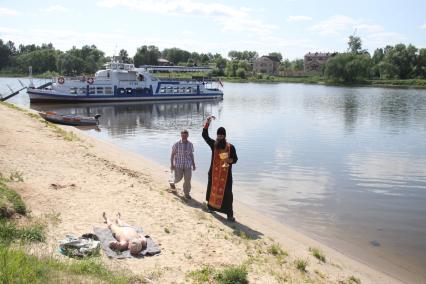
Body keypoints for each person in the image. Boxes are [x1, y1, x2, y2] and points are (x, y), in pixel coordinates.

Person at [202, 116, 238, 222]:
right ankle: (210, 207)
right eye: (218, 135)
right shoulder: (214, 144)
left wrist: (229, 160)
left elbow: (235, 159)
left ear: (225, 136)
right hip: (213, 173)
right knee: (211, 191)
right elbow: (204, 135)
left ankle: (229, 215)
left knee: (227, 194)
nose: (220, 137)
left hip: (226, 176)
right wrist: (207, 122)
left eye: (221, 135)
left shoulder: (230, 147)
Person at [170, 129, 196, 199]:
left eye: (185, 135)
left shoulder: (190, 144)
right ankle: (172, 182)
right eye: (183, 135)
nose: (184, 136)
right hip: (178, 165)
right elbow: (172, 155)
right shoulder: (176, 144)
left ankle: (186, 193)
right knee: (178, 178)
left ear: (188, 135)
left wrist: (193, 164)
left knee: (187, 180)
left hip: (188, 165)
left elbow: (191, 154)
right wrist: (172, 164)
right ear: (181, 135)